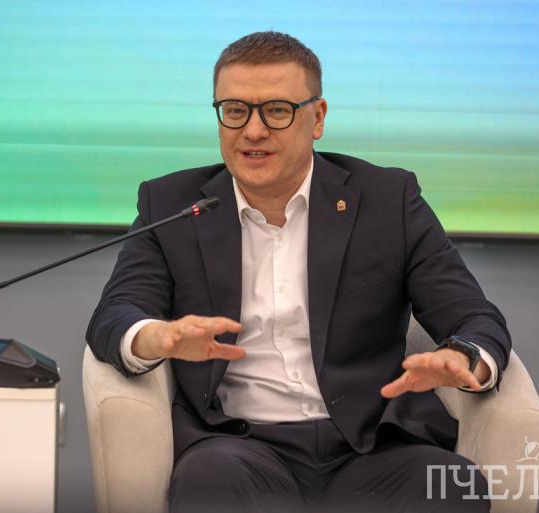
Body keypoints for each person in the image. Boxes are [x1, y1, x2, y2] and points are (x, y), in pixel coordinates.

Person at [87, 31, 510, 513]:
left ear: (318, 118)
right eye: (234, 110)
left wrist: (463, 357)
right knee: (209, 481)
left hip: (371, 446)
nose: (253, 131)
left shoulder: (387, 200)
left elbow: (473, 316)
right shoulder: (172, 205)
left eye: (277, 111)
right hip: (238, 446)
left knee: (453, 485)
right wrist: (157, 337)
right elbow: (115, 314)